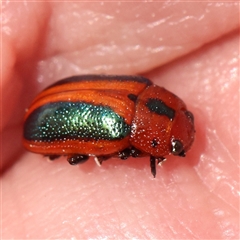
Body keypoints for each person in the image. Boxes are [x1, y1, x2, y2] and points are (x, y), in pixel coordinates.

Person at [1, 2, 239, 239]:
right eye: (174, 146)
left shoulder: (140, 87)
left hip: (57, 98)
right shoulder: (119, 129)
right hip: (42, 121)